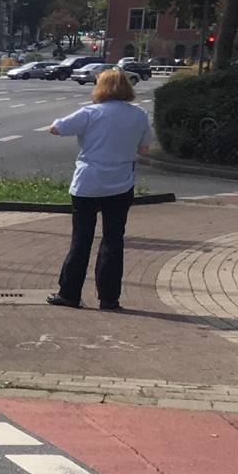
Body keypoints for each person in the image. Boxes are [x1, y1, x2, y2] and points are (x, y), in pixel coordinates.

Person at [46, 66, 151, 311]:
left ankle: (70, 293)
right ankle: (109, 298)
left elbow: (56, 128)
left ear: (100, 88)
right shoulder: (139, 115)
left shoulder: (90, 113)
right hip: (121, 183)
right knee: (113, 241)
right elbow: (144, 149)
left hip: (88, 183)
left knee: (81, 239)